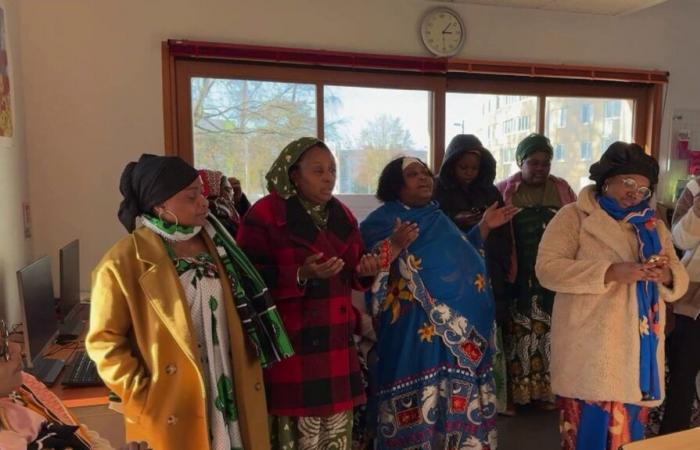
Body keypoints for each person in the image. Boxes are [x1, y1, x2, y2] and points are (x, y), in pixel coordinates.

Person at [86, 154, 293, 450]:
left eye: (202, 194)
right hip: (170, 401)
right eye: (191, 196)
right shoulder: (121, 262)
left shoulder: (220, 244)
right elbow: (104, 342)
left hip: (228, 387)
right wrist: (144, 395)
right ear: (160, 205)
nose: (204, 203)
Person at [535, 142, 688, 449]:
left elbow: (677, 272)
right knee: (584, 437)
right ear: (607, 181)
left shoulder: (652, 225)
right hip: (589, 352)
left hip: (637, 357)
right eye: (629, 183)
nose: (635, 193)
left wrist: (667, 275)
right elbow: (547, 269)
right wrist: (608, 273)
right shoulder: (574, 217)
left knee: (629, 439)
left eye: (644, 189)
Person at [360, 156, 518, 449]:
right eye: (413, 174)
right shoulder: (380, 222)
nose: (423, 178)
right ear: (395, 184)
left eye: (426, 173)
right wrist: (394, 245)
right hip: (413, 331)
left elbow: (462, 253)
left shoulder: (437, 215)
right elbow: (366, 269)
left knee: (457, 402)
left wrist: (483, 227)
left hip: (461, 332)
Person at [236, 137, 384, 450]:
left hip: (335, 341)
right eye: (318, 170)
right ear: (294, 174)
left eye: (332, 169)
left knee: (335, 433)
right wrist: (301, 274)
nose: (328, 177)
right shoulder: (264, 215)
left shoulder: (342, 215)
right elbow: (246, 281)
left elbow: (353, 271)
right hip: (292, 343)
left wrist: (366, 271)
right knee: (296, 434)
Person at [496, 132, 577, 410]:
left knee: (552, 336)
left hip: (555, 279)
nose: (540, 168)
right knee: (520, 335)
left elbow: (578, 227)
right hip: (520, 277)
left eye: (545, 162)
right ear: (521, 162)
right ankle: (519, 397)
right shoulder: (505, 191)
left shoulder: (564, 190)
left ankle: (548, 395)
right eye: (533, 162)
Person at [434, 134, 513, 414]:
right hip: (453, 273)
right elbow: (435, 232)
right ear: (450, 165)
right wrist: (460, 221)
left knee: (485, 328)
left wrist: (506, 266)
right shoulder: (437, 192)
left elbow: (503, 235)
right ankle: (452, 396)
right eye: (462, 167)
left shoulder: (491, 193)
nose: (468, 173)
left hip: (487, 266)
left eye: (474, 168)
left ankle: (487, 397)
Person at [0, 321, 146, 449]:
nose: (17, 348)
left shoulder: (25, 386)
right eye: (2, 350)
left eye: (5, 336)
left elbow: (83, 435)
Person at [659, 176, 700, 434]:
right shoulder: (695, 188)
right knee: (682, 380)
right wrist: (697, 211)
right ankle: (673, 439)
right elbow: (679, 240)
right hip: (692, 299)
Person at [198, 169, 249, 236]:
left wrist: (240, 199)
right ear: (215, 192)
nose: (232, 193)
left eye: (232, 190)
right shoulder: (218, 217)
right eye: (228, 190)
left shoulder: (218, 213)